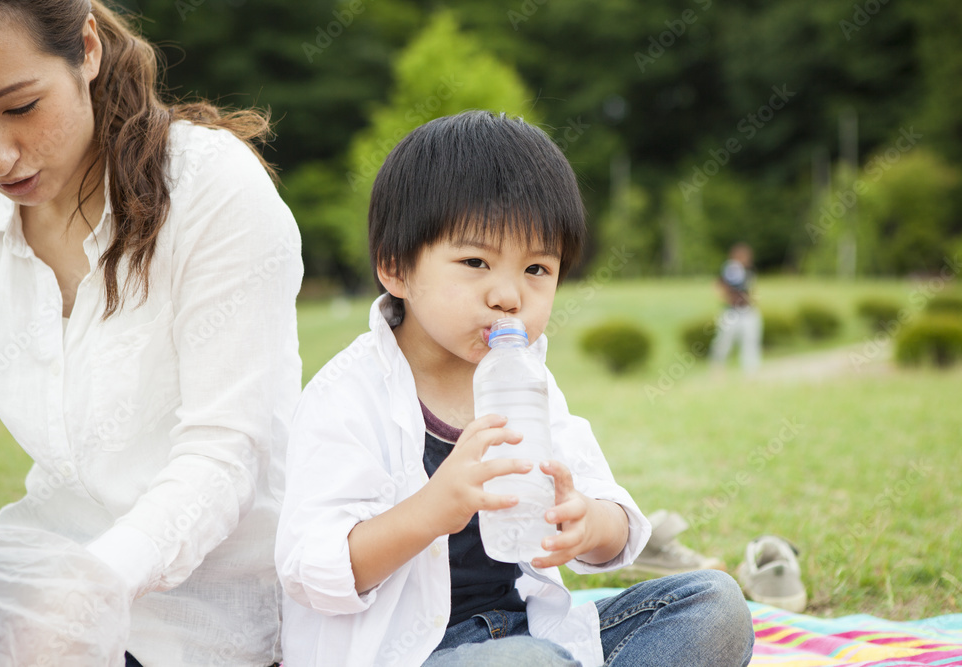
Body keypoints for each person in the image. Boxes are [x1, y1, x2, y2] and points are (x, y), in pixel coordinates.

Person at [275, 111, 753, 667]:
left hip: (528, 632)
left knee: (713, 607)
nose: (509, 296)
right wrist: (433, 509)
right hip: (409, 654)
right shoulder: (348, 396)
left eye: (536, 269)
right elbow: (312, 569)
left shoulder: (529, 381)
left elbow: (614, 517)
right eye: (476, 261)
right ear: (395, 268)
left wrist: (587, 521)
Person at [0, 1, 301, 665]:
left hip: (200, 621)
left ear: (86, 48)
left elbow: (223, 452)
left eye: (21, 107)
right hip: (37, 587)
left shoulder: (212, 192)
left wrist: (91, 590)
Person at [709, 242, 762, 374]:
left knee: (750, 342)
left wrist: (752, 299)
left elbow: (750, 288)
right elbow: (718, 285)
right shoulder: (730, 269)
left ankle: (751, 373)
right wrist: (727, 298)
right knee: (723, 343)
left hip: (747, 311)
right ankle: (717, 370)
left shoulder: (748, 270)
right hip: (731, 312)